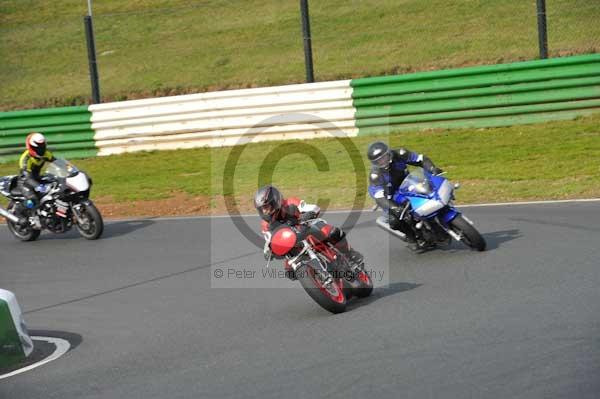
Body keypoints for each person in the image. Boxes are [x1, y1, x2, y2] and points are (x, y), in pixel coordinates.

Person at [254, 185, 363, 280]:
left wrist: (308, 213)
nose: (265, 211)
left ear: (275, 201)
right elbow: (269, 241)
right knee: (290, 271)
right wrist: (268, 251)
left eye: (266, 207)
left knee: (332, 232)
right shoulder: (265, 225)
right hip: (294, 245)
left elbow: (313, 207)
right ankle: (316, 279)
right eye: (261, 209)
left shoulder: (290, 203)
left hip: (308, 229)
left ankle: (350, 254)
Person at [367, 141, 442, 247]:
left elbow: (421, 159)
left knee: (430, 190)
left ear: (389, 153)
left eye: (383, 157)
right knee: (396, 219)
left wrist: (432, 169)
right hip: (390, 195)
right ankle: (413, 237)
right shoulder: (375, 175)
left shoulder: (401, 154)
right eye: (378, 161)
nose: (382, 161)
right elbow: (379, 198)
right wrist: (394, 208)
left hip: (408, 183)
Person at [16, 133, 55, 225]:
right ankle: (19, 211)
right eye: (38, 147)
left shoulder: (46, 153)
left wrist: (70, 171)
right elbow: (27, 176)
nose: (40, 149)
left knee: (55, 189)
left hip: (37, 178)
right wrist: (39, 186)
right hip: (25, 181)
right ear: (30, 146)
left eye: (42, 146)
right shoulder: (25, 159)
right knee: (33, 200)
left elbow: (57, 162)